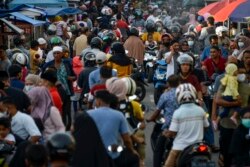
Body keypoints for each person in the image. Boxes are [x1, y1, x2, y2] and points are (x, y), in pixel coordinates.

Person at [86, 90, 140, 167]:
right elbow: (127, 140)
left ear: (98, 102)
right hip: (112, 155)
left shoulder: (87, 114)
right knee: (135, 158)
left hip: (91, 156)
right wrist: (133, 150)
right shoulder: (119, 115)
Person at [164, 83, 209, 167]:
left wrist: (167, 133)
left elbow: (173, 132)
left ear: (178, 96)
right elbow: (206, 127)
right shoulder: (200, 110)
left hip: (180, 147)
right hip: (199, 145)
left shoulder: (177, 113)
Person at [147, 75, 180, 167]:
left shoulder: (165, 95)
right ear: (179, 83)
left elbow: (157, 111)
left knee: (158, 149)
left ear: (168, 84)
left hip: (169, 127)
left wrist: (150, 119)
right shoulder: (184, 94)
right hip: (185, 126)